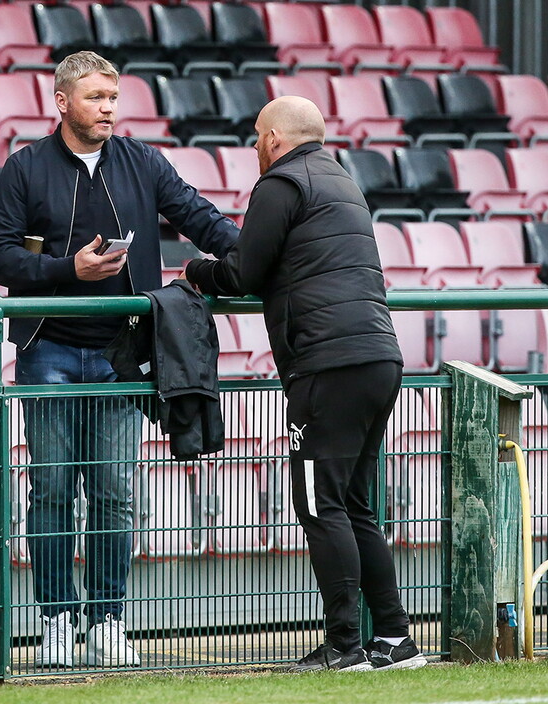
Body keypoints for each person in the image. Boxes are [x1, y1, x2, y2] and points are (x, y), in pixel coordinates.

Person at [0, 51, 239, 668]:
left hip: (123, 353)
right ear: (62, 101)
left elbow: (198, 216)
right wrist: (69, 269)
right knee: (50, 489)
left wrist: (256, 251)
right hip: (48, 350)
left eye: (113, 98)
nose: (108, 109)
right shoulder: (24, 168)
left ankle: (107, 618)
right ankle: (55, 618)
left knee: (115, 491)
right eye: (96, 97)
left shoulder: (142, 160)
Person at [182, 96, 428, 673]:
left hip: (327, 364)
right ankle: (393, 639)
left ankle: (345, 647)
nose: (254, 150)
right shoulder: (344, 180)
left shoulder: (281, 185)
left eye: (256, 138)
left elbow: (244, 271)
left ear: (272, 138)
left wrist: (195, 271)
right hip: (378, 357)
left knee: (320, 501)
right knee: (355, 503)